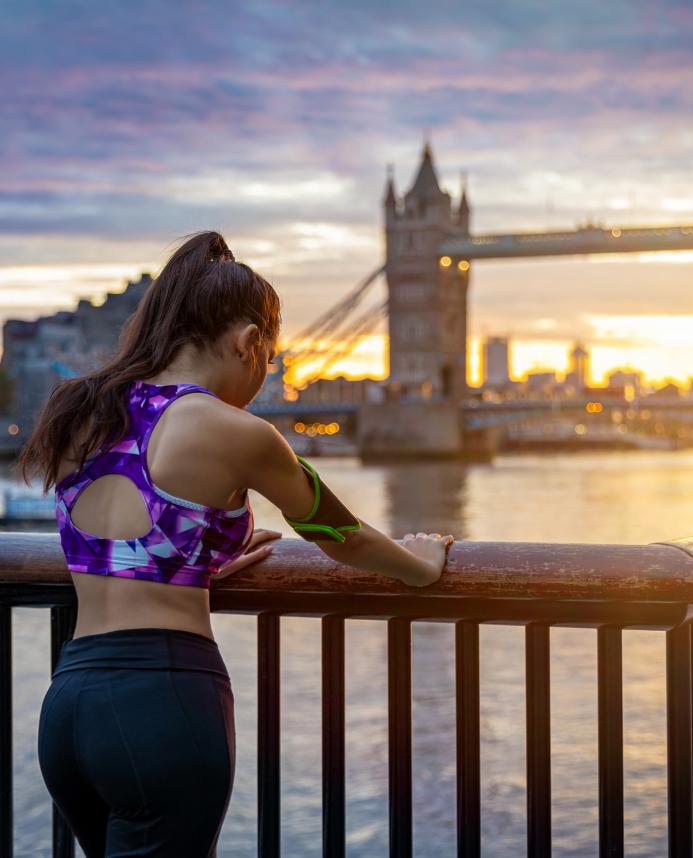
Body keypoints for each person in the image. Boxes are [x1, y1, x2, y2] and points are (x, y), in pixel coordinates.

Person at [16, 230, 454, 858]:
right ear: (250, 343)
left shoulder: (80, 410)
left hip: (70, 705)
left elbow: (122, 544)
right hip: (164, 703)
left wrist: (206, 563)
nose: (266, 371)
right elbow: (341, 534)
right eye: (270, 357)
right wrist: (421, 566)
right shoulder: (237, 431)